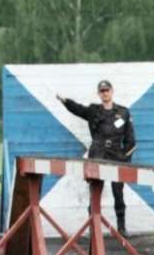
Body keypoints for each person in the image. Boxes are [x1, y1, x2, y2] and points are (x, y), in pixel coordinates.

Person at [56, 79, 136, 236]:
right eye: (102, 91)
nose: (105, 93)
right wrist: (65, 101)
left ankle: (121, 227)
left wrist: (124, 159)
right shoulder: (93, 111)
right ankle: (93, 226)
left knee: (118, 191)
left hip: (116, 155)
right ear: (99, 94)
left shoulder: (124, 112)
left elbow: (131, 140)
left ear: (112, 91)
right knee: (95, 190)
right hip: (97, 153)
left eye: (107, 90)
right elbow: (78, 109)